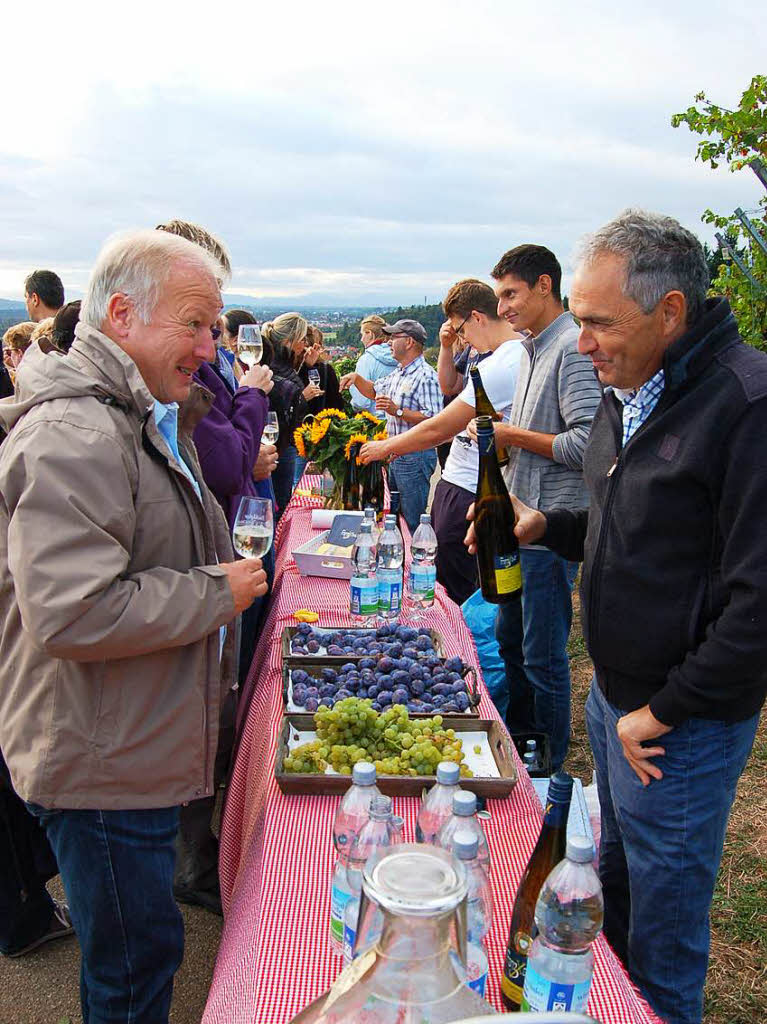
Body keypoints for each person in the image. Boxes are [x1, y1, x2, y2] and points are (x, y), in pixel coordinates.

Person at [469, 209, 767, 1024]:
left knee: (662, 942)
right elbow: (617, 523)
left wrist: (659, 713)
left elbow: (755, 608)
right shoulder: (627, 386)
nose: (584, 340)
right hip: (615, 700)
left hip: (678, 723)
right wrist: (546, 526)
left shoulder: (746, 404)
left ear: (670, 311)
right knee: (615, 896)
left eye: (600, 322)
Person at [0, 229, 267, 1023]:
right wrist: (214, 593)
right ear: (122, 314)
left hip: (125, 739)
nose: (210, 346)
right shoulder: (78, 433)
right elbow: (73, 610)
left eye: (213, 326)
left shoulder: (135, 413)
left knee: (142, 950)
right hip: (100, 758)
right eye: (195, 324)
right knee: (132, 967)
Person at [156, 220, 275, 915]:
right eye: (198, 316)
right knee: (205, 704)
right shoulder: (179, 372)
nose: (211, 340)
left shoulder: (193, 366)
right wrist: (254, 395)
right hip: (203, 568)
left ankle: (202, 851)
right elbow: (231, 459)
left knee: (218, 702)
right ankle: (193, 862)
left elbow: (233, 446)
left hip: (215, 552)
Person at [479, 243, 602, 769]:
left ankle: (549, 760)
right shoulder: (533, 349)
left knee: (543, 654)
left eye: (511, 294)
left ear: (544, 286)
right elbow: (541, 436)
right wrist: (501, 444)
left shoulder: (572, 347)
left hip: (550, 528)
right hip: (519, 523)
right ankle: (522, 740)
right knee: (510, 639)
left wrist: (513, 434)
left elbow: (587, 445)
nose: (502, 306)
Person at [359, 281, 522, 605]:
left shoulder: (502, 363)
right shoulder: (502, 357)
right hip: (462, 482)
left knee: (454, 588)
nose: (462, 339)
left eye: (460, 330)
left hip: (468, 486)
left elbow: (441, 426)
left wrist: (385, 448)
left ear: (476, 318)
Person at [341, 319, 442, 533]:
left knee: (413, 520)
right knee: (397, 518)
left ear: (409, 342)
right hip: (397, 455)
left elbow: (435, 421)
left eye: (393, 337)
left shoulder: (426, 376)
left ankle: (419, 561)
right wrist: (356, 377)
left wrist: (397, 411)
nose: (388, 342)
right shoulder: (400, 371)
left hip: (415, 457)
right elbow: (373, 391)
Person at [261, 312, 322, 518]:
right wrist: (301, 398)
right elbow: (280, 404)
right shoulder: (272, 365)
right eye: (303, 339)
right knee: (279, 503)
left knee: (281, 500)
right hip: (278, 444)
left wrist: (305, 365)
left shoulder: (281, 362)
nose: (306, 344)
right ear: (289, 340)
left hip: (283, 443)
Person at [294, 326, 342, 484]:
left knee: (298, 481)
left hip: (301, 434)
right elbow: (337, 406)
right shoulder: (327, 370)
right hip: (322, 434)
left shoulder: (296, 371)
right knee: (323, 482)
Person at [348, 314, 397, 412]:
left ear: (369, 333)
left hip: (375, 420)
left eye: (362, 335)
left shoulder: (366, 360)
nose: (361, 339)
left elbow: (361, 402)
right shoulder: (399, 356)